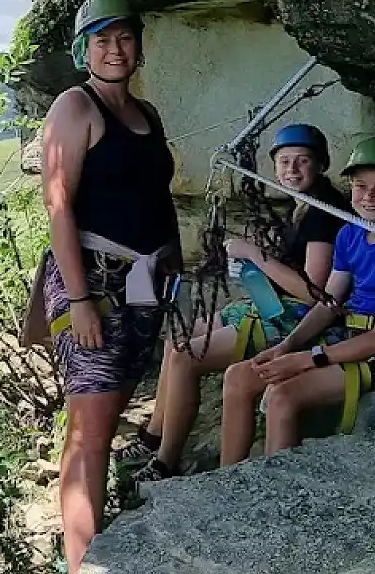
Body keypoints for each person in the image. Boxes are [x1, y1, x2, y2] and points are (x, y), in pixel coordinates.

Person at [39, 0, 181, 574]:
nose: (115, 49)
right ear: (82, 49)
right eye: (101, 39)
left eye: (124, 37)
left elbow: (157, 202)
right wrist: (76, 299)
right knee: (89, 440)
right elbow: (60, 205)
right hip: (93, 284)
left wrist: (178, 272)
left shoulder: (144, 114)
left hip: (146, 284)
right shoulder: (76, 107)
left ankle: (82, 533)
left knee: (107, 421)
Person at [119, 124, 350, 481]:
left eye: (302, 161)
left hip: (296, 318)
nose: (292, 170)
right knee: (176, 340)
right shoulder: (305, 205)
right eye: (285, 162)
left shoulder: (323, 213)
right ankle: (153, 437)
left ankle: (166, 461)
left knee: (185, 354)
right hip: (276, 306)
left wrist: (257, 256)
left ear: (321, 165)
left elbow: (313, 293)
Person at [219, 135, 375, 463]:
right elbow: (328, 302)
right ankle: (227, 482)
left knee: (282, 395)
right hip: (349, 335)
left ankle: (275, 499)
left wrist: (306, 359)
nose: (369, 196)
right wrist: (288, 346)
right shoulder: (351, 232)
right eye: (360, 186)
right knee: (238, 376)